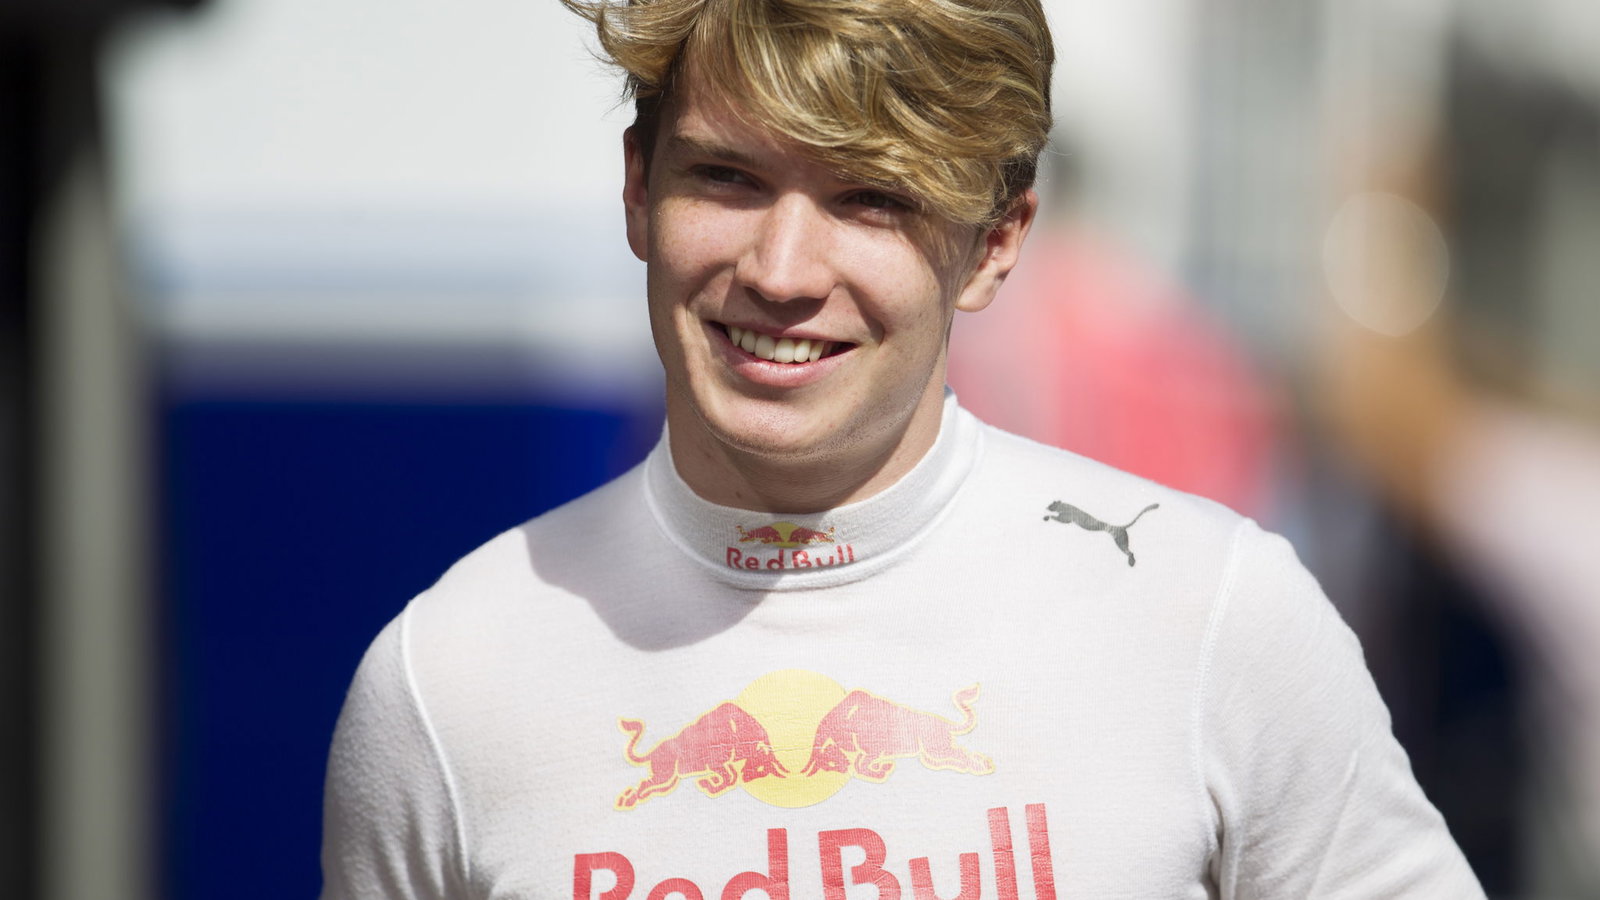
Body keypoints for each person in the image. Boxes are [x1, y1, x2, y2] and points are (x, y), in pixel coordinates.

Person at [319, 0, 1484, 896]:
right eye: (727, 178)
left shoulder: (1214, 614)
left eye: (869, 199)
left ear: (994, 242)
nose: (780, 270)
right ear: (637, 189)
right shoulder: (448, 678)